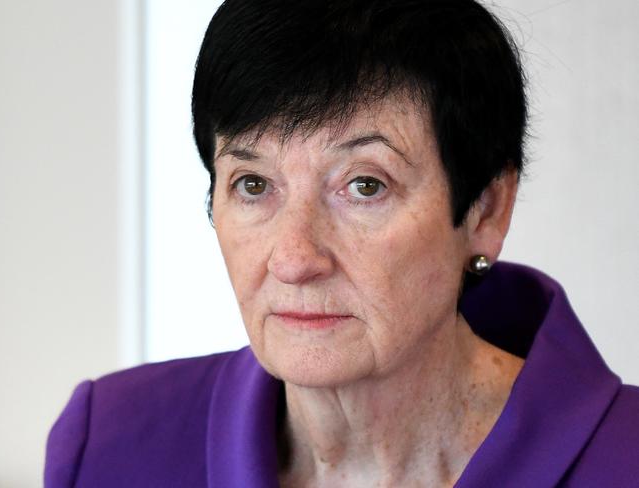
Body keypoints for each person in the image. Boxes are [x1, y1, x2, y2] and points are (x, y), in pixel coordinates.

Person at [44, 0, 639, 486]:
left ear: (485, 209)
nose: (296, 258)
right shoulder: (109, 448)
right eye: (253, 185)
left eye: (364, 185)